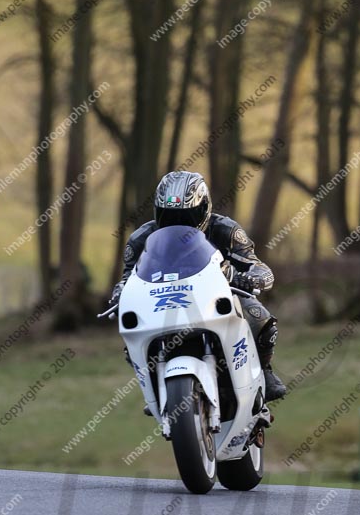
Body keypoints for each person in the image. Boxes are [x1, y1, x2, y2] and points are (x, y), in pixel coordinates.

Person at [111, 170, 287, 402]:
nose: (178, 224)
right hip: (161, 302)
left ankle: (264, 371)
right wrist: (120, 293)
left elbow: (258, 267)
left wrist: (248, 277)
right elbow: (128, 278)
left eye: (187, 217)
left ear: (204, 209)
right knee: (131, 336)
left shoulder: (226, 230)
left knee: (259, 316)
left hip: (213, 297)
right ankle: (155, 388)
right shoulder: (141, 238)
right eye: (169, 216)